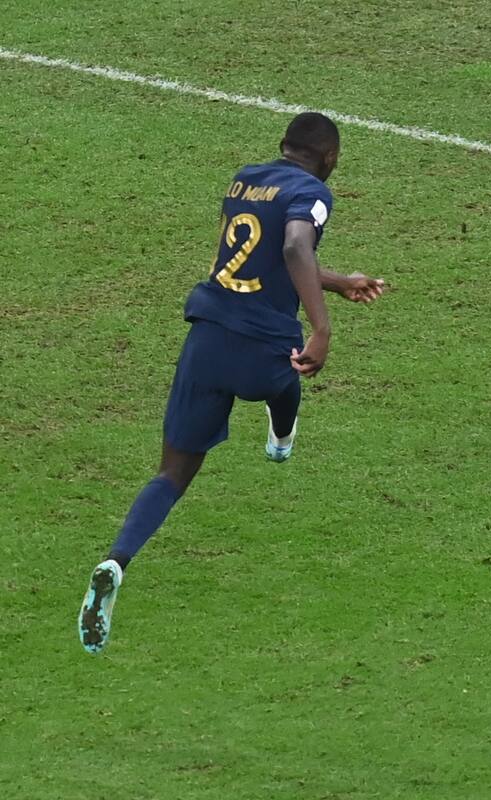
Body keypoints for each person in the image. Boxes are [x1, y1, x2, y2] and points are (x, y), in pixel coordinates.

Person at [78, 112, 385, 654]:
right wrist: (322, 326)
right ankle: (282, 440)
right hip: (261, 343)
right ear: (331, 157)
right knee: (293, 373)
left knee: (172, 472)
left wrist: (337, 283)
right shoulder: (313, 192)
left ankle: (115, 561)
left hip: (207, 337)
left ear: (282, 145)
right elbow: (293, 248)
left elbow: (258, 254)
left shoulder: (245, 178)